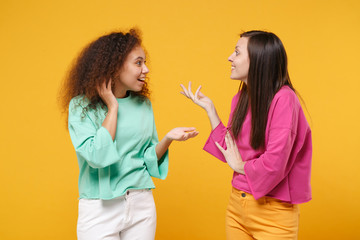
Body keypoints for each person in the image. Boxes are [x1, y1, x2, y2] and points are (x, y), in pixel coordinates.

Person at [60, 29, 198, 240]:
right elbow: (96, 156)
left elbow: (147, 160)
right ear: (114, 67)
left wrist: (168, 138)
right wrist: (112, 107)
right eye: (138, 63)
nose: (146, 69)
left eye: (145, 62)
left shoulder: (143, 105)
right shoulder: (81, 106)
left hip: (141, 204)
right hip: (100, 207)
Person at [180, 30, 312, 240]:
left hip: (274, 212)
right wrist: (210, 110)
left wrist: (240, 166)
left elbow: (275, 162)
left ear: (259, 59)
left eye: (237, 52)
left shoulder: (285, 99)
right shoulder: (241, 98)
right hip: (237, 208)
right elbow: (230, 150)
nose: (230, 58)